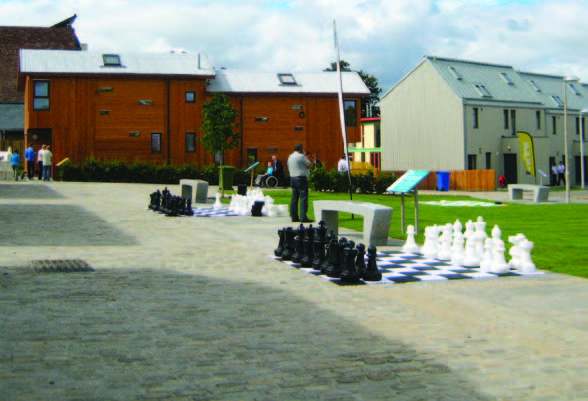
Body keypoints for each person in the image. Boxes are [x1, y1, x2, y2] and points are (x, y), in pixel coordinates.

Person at [287, 143, 312, 223]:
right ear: (301, 150)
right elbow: (309, 165)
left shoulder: (290, 156)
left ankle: (294, 216)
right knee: (303, 197)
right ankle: (303, 217)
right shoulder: (301, 156)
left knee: (294, 198)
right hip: (301, 178)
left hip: (293, 178)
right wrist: (305, 155)